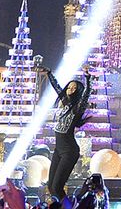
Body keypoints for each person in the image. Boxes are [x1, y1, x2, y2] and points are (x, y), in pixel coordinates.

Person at [38, 63, 93, 200]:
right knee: (51, 187)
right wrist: (49, 73)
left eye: (74, 88)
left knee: (57, 187)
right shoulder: (64, 103)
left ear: (77, 91)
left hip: (70, 151)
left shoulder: (77, 108)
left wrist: (87, 77)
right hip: (59, 150)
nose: (70, 89)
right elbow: (57, 87)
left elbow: (86, 94)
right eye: (69, 87)